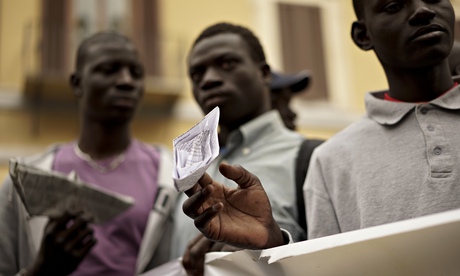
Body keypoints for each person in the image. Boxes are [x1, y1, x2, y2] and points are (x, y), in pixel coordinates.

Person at [181, 0, 460, 251]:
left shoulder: (311, 155)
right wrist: (272, 243)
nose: (423, 10)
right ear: (362, 35)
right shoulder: (332, 159)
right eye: (393, 6)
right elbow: (324, 264)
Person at [0, 32, 177, 275]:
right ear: (76, 83)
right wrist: (41, 270)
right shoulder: (24, 181)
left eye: (136, 73)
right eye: (109, 70)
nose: (126, 81)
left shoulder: (170, 176)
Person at [170, 22, 317, 275]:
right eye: (197, 74)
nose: (208, 80)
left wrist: (273, 242)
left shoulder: (314, 158)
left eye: (227, 64)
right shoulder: (182, 174)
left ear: (264, 74)